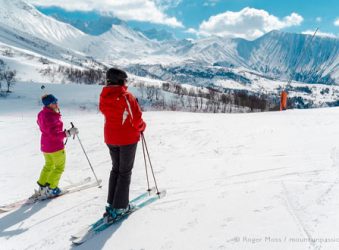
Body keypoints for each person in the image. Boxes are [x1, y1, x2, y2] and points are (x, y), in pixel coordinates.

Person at [99, 68, 146, 219]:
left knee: (116, 169)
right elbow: (136, 118)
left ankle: (112, 202)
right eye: (125, 80)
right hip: (126, 139)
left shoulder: (104, 95)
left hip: (110, 138)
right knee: (124, 172)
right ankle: (120, 207)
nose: (126, 83)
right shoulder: (126, 96)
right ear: (120, 81)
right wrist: (142, 127)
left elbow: (106, 111)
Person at [36, 94, 79, 197]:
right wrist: (68, 133)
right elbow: (54, 134)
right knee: (59, 167)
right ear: (49, 104)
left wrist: (63, 132)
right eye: (54, 102)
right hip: (55, 147)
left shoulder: (42, 114)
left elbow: (42, 125)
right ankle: (52, 188)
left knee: (49, 165)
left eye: (56, 101)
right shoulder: (51, 116)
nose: (56, 104)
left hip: (45, 146)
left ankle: (43, 186)